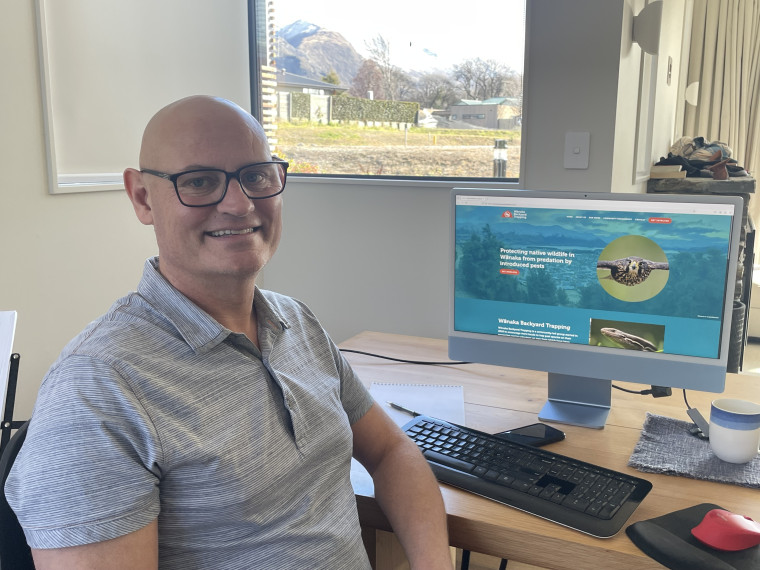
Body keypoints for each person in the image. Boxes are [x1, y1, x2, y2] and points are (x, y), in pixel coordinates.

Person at [6, 95, 452, 569]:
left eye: (256, 175)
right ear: (142, 197)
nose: (239, 204)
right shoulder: (97, 391)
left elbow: (390, 451)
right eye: (199, 181)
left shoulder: (295, 322)